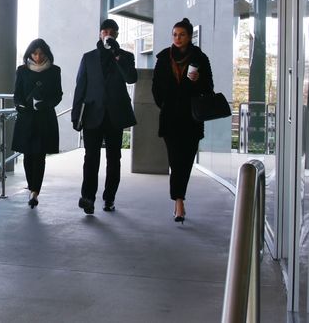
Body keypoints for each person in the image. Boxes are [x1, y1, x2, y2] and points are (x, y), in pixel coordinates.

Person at [71, 19, 137, 215]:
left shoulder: (125, 56)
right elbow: (80, 87)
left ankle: (109, 198)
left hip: (115, 115)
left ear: (116, 34)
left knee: (114, 159)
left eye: (111, 31)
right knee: (91, 158)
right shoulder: (88, 57)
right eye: (104, 30)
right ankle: (88, 197)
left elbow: (131, 78)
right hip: (92, 114)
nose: (107, 33)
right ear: (100, 34)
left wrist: (117, 54)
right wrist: (76, 115)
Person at [152, 17, 214, 224]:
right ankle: (179, 202)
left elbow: (209, 89)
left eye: (182, 35)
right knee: (175, 160)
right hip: (170, 117)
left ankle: (179, 199)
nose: (177, 38)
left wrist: (198, 82)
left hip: (191, 118)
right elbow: (156, 89)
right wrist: (166, 104)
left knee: (186, 161)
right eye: (175, 35)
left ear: (189, 37)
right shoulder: (163, 58)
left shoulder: (200, 58)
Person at [11, 38, 62, 209]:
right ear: (30, 54)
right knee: (27, 155)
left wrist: (46, 104)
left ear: (46, 53)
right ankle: (31, 186)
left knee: (39, 156)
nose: (38, 56)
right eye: (35, 53)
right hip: (26, 117)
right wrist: (20, 105)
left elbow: (58, 94)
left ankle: (35, 192)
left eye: (41, 53)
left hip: (44, 118)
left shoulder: (54, 71)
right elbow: (16, 94)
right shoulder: (22, 70)